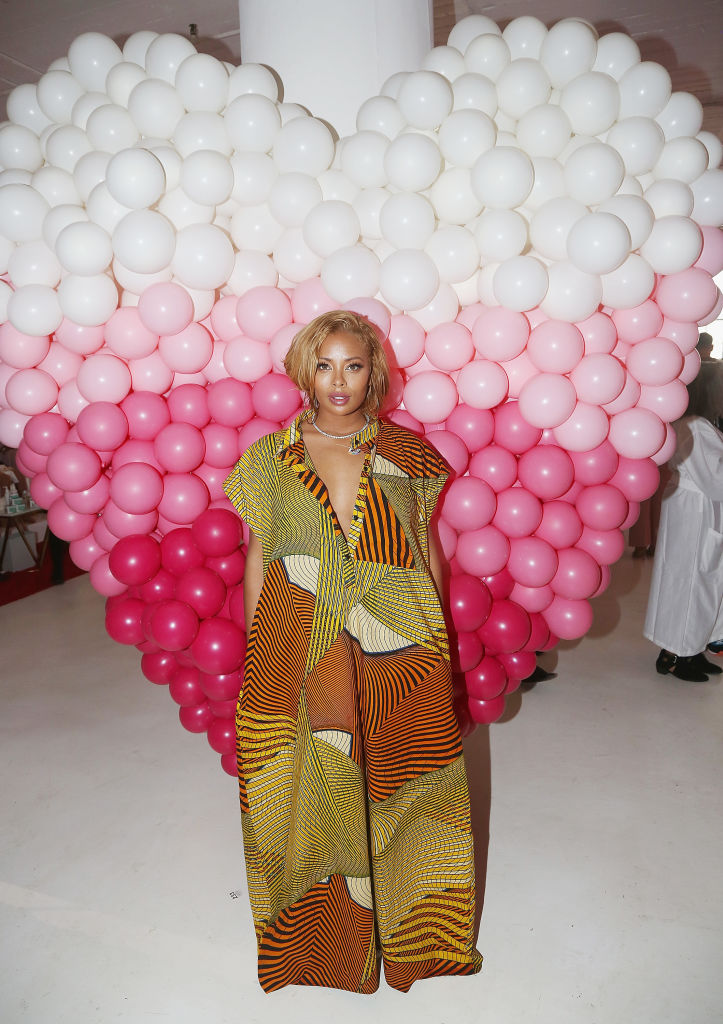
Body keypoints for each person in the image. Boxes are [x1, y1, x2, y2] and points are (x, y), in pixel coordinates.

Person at [223, 310, 482, 994]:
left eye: (354, 365)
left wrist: (437, 648)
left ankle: (421, 943)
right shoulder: (268, 458)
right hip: (299, 637)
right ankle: (319, 952)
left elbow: (428, 551)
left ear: (374, 373)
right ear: (304, 371)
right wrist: (257, 649)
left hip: (399, 641)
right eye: (325, 365)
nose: (339, 380)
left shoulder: (409, 454)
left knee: (411, 790)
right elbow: (259, 557)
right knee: (307, 791)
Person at [644, 362, 723, 681]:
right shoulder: (697, 427)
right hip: (697, 508)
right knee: (691, 580)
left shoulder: (684, 421)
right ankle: (679, 653)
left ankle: (688, 648)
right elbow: (714, 479)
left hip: (689, 504)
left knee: (686, 577)